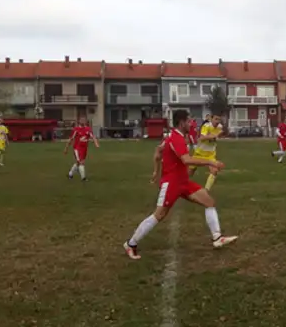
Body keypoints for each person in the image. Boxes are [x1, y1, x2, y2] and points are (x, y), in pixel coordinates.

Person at [123, 109, 237, 259]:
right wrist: (210, 161)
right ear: (182, 122)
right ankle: (131, 244)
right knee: (159, 215)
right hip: (172, 183)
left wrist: (156, 171)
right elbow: (186, 160)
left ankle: (217, 238)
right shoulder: (176, 138)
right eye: (189, 121)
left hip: (183, 181)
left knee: (209, 201)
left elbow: (158, 152)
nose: (191, 123)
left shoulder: (178, 136)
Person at [190, 114, 223, 191]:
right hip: (199, 153)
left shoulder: (220, 127)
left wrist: (219, 135)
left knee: (214, 171)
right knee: (190, 172)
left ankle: (206, 190)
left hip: (210, 154)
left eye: (219, 119)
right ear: (211, 119)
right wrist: (214, 136)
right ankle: (181, 186)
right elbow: (202, 138)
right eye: (216, 119)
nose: (217, 121)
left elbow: (219, 135)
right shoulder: (206, 126)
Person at [65, 117, 100, 181]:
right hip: (77, 148)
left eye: (84, 120)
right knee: (81, 162)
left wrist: (96, 143)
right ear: (79, 121)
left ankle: (70, 174)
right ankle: (83, 178)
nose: (83, 121)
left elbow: (93, 137)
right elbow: (71, 139)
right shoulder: (76, 129)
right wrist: (66, 148)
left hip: (84, 149)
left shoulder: (88, 129)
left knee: (79, 163)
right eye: (82, 120)